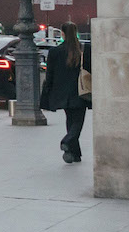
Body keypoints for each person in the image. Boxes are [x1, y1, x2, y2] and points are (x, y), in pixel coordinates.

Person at [39, 20, 91, 164]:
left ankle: (74, 154)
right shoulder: (84, 50)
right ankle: (67, 141)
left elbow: (49, 75)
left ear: (62, 34)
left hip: (62, 93)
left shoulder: (55, 52)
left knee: (70, 120)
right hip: (81, 91)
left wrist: (47, 92)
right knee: (78, 122)